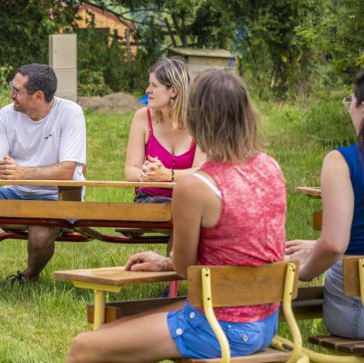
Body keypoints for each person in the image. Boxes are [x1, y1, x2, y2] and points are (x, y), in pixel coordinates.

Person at [66, 70, 287, 363]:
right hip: (265, 320)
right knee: (118, 325)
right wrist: (164, 261)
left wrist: (169, 262)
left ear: (196, 118)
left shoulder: (195, 187)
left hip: (218, 326)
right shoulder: (270, 168)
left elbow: (184, 268)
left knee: (84, 346)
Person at [0, 63, 87, 291]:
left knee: (39, 236)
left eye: (17, 91)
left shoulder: (70, 113)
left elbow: (66, 171)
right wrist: (1, 170)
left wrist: (23, 173)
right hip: (13, 193)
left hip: (56, 197)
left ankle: (28, 277)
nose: (11, 95)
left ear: (38, 96)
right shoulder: (6, 115)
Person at [285, 68, 364, 339]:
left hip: (357, 310)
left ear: (362, 107)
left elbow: (333, 245)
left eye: (349, 101)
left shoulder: (342, 161)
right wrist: (316, 244)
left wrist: (303, 272)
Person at [123, 58, 205, 202]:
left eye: (154, 85)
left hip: (188, 201)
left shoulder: (200, 122)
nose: (147, 90)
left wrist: (168, 175)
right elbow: (131, 169)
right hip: (149, 200)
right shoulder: (142, 117)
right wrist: (146, 174)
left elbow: (202, 172)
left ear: (173, 90)